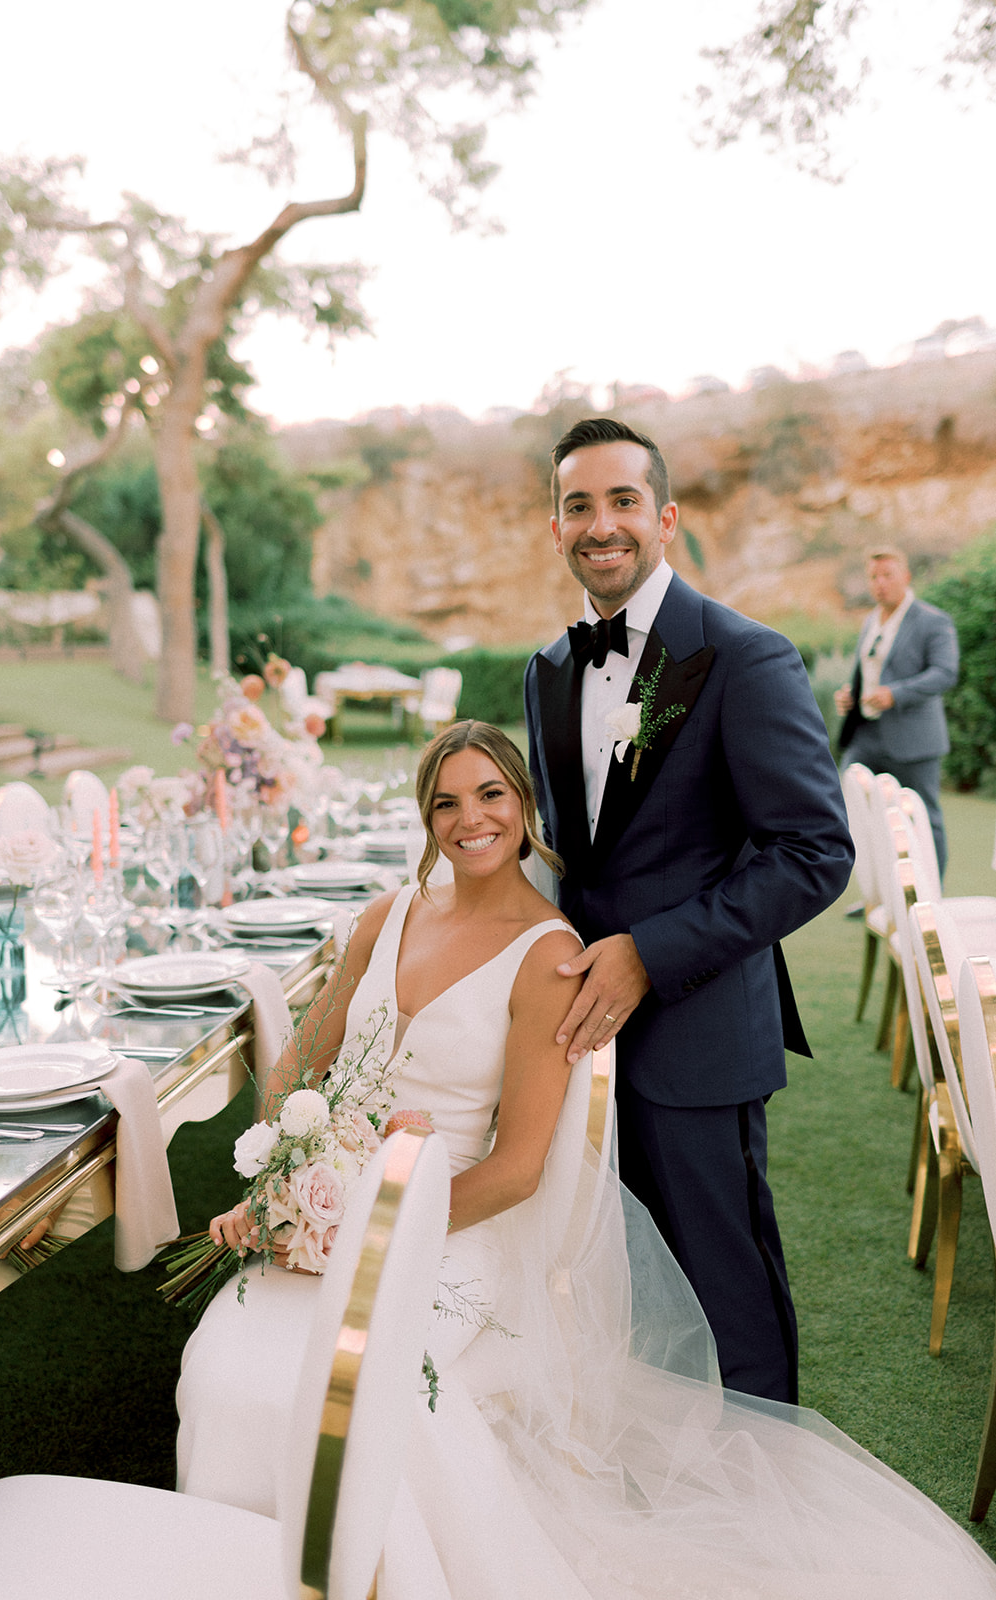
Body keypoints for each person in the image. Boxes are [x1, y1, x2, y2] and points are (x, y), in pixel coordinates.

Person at [176, 721, 996, 1599]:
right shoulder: (387, 916)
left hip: (453, 1229)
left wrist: (368, 1234)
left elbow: (520, 1167)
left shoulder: (549, 956)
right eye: (446, 801)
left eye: (491, 794)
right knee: (223, 1362)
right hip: (331, 1212)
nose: (470, 819)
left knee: (347, 1388)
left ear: (525, 808)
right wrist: (289, 1188)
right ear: (425, 818)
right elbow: (300, 1061)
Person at [524, 417, 854, 1405]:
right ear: (556, 529)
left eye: (623, 500)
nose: (602, 523)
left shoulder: (745, 658)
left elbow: (815, 851)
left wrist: (650, 954)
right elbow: (574, 856)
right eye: (579, 504)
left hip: (700, 1035)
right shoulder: (547, 668)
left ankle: (767, 1501)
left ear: (664, 518)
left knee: (727, 1298)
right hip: (581, 1043)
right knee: (622, 1290)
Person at [835, 545, 959, 878]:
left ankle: (932, 895)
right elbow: (868, 671)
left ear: (905, 576)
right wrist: (852, 695)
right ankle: (880, 895)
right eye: (873, 576)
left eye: (887, 575)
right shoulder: (870, 621)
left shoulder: (933, 620)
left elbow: (945, 673)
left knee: (923, 818)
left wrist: (896, 694)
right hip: (865, 737)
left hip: (913, 740)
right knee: (859, 812)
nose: (880, 583)